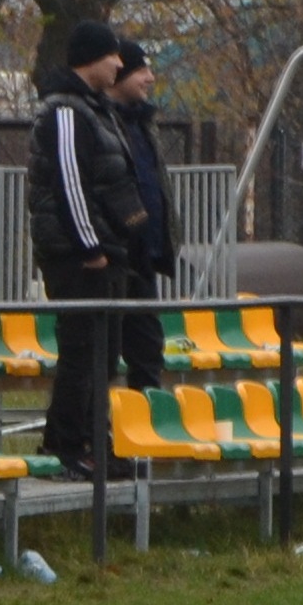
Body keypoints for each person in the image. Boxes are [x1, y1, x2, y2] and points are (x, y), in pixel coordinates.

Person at [27, 20, 150, 480]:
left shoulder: (94, 109)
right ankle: (64, 445)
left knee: (104, 354)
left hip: (108, 252)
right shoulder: (64, 111)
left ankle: (97, 444)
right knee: (81, 351)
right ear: (91, 59)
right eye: (112, 55)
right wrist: (90, 247)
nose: (120, 64)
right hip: (79, 257)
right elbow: (70, 184)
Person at [106, 41, 176, 392]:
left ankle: (146, 420)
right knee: (100, 356)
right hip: (114, 256)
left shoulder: (144, 123)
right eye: (141, 71)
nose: (150, 78)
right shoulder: (100, 121)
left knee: (148, 352)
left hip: (143, 258)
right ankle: (97, 425)